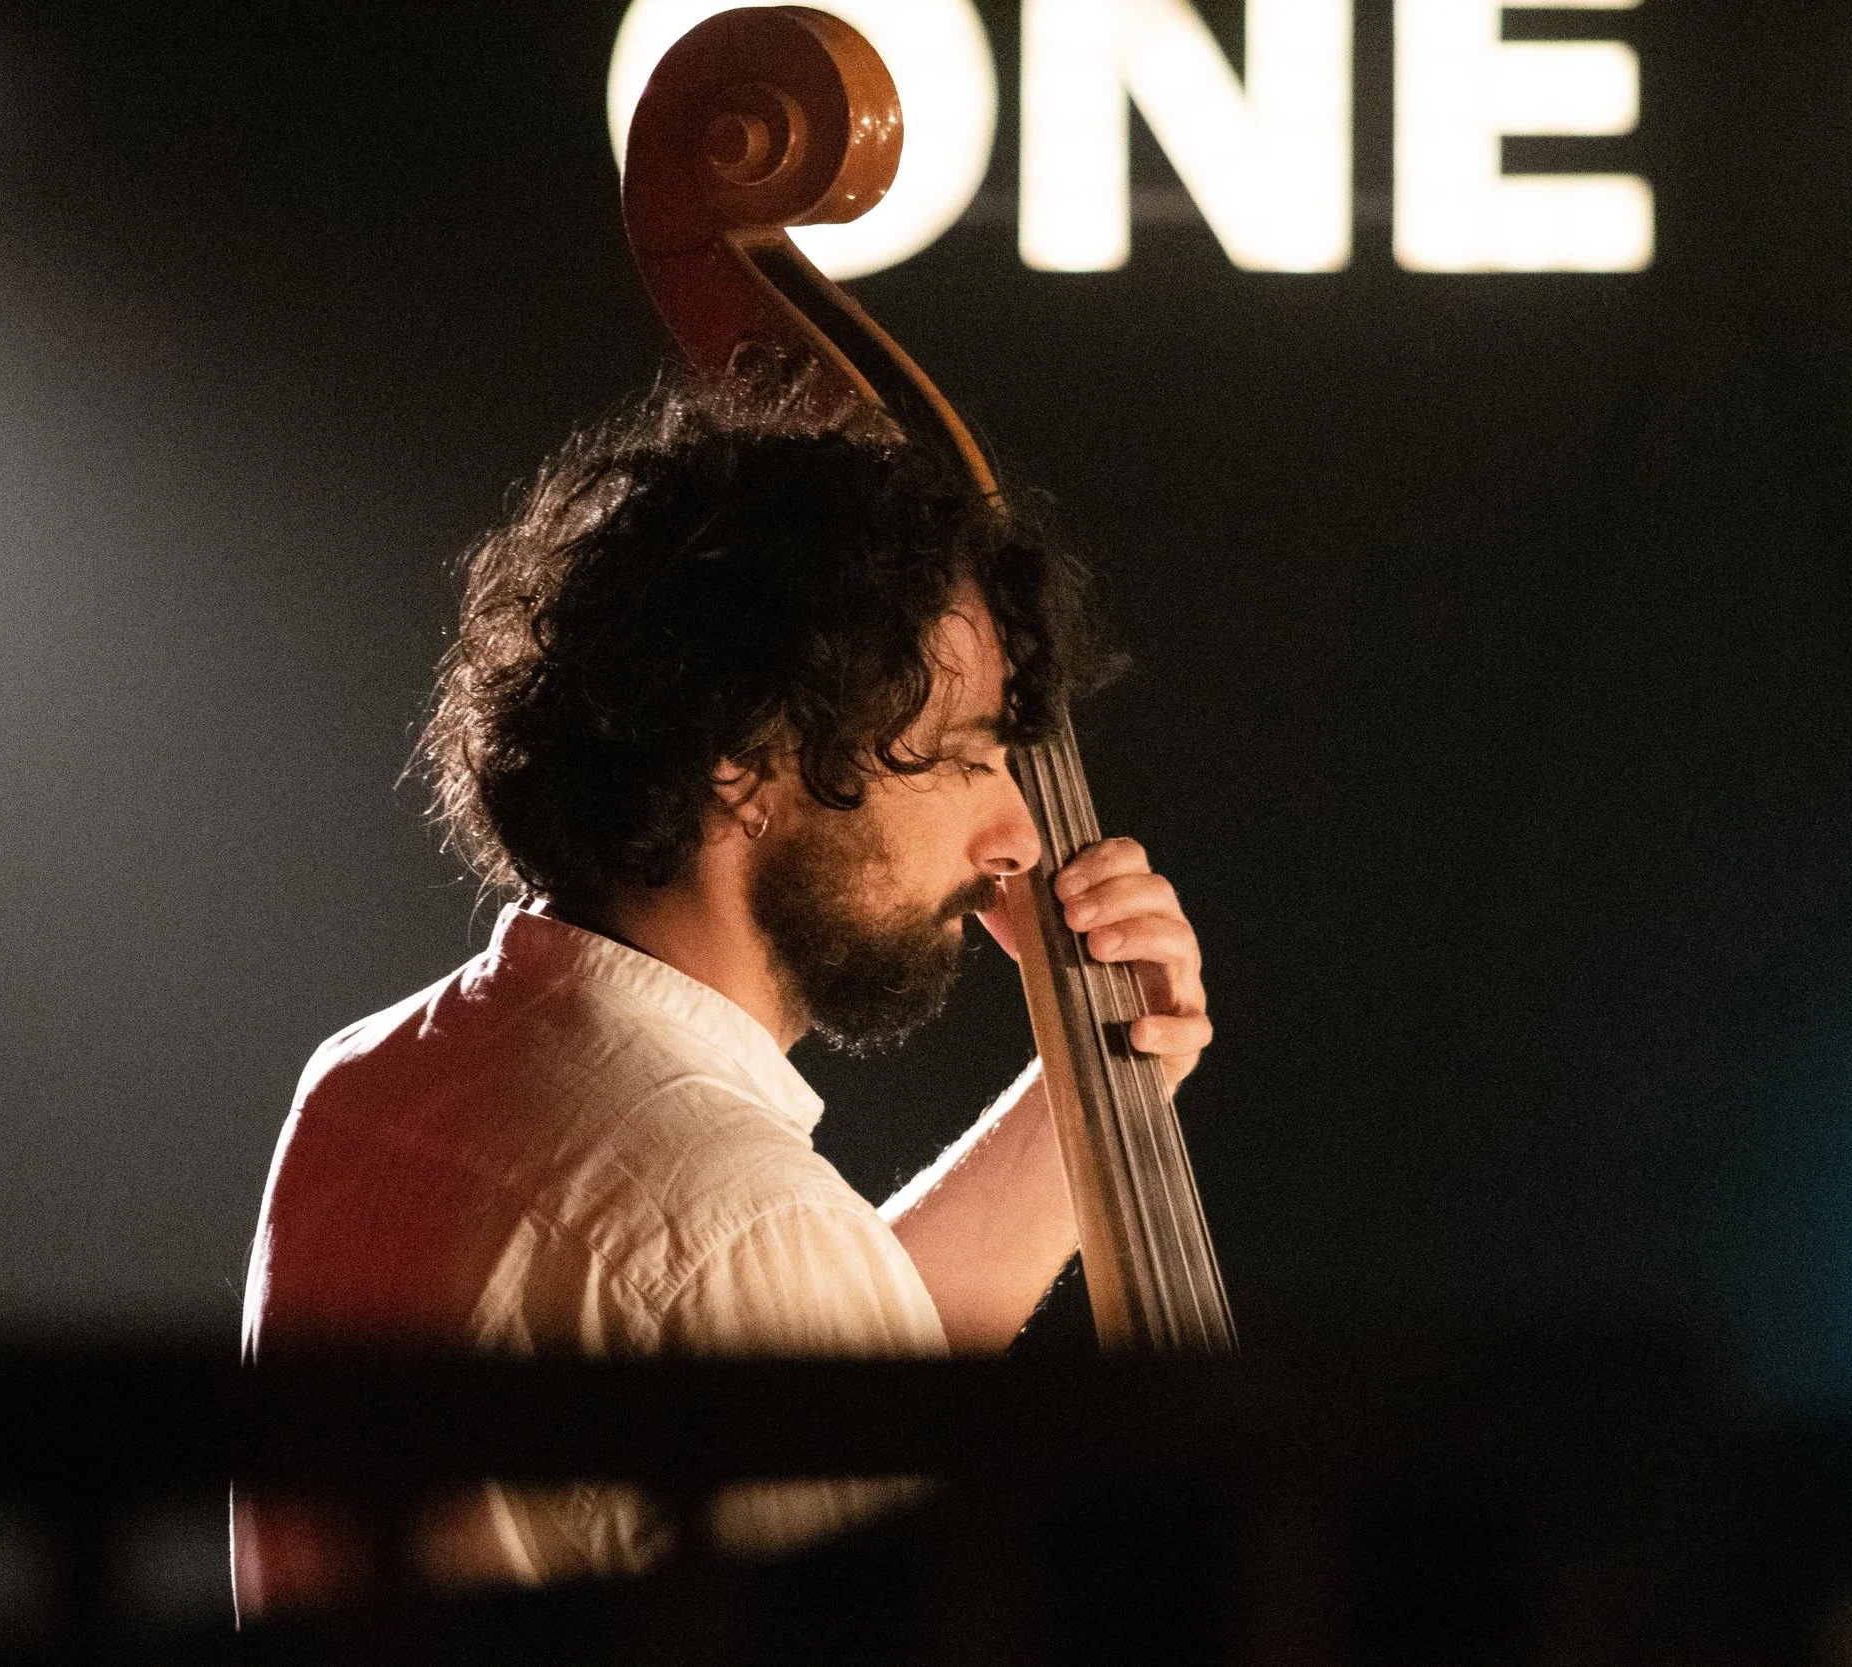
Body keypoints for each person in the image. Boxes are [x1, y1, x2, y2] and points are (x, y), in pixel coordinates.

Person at [231, 377, 1214, 1612]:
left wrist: (1108, 1066)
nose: (1020, 834)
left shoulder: (373, 1080)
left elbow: (828, 1343)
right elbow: (756, 1287)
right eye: (963, 758)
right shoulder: (736, 1223)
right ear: (743, 764)